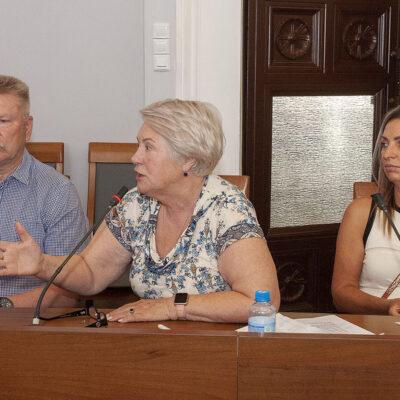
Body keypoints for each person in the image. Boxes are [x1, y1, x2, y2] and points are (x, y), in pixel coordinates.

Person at [0, 98, 280, 323]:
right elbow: (91, 272)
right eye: (138, 145)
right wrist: (42, 264)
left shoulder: (227, 210)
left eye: (148, 147)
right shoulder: (136, 205)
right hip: (149, 346)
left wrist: (170, 307)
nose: (135, 157)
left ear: (188, 159)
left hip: (217, 351)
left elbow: (261, 301)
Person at [0, 74, 87, 308]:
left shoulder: (57, 193)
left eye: (2, 121)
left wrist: (4, 307)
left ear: (27, 128)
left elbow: (67, 290)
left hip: (23, 321)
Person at [332, 105, 400, 316]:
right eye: (384, 144)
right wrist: (387, 306)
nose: (387, 154)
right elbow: (341, 294)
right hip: (374, 329)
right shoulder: (361, 212)